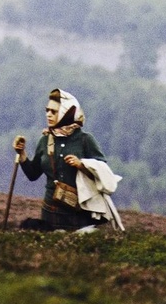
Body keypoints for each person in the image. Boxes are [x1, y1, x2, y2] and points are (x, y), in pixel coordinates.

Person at [13, 87, 111, 232]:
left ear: (66, 112)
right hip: (50, 215)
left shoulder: (85, 140)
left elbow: (103, 173)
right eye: (47, 110)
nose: (48, 115)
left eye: (54, 111)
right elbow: (33, 174)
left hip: (79, 215)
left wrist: (82, 165)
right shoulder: (45, 140)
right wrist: (21, 154)